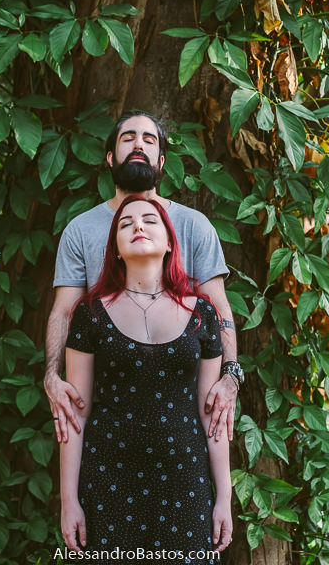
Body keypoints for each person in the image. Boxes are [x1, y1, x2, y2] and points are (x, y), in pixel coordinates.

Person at [44, 112, 243, 445]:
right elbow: (63, 312)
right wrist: (51, 375)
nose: (138, 144)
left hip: (185, 415)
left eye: (149, 140)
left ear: (161, 162)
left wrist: (230, 376)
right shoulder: (80, 231)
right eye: (128, 138)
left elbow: (218, 308)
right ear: (110, 158)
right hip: (106, 411)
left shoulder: (194, 226)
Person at [59, 195, 233, 557]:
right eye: (126, 224)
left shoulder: (202, 314)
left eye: (150, 220)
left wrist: (224, 498)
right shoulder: (89, 315)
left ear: (170, 243)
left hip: (186, 481)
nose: (138, 225)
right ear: (116, 250)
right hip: (109, 479)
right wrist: (68, 500)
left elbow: (212, 413)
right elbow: (75, 412)